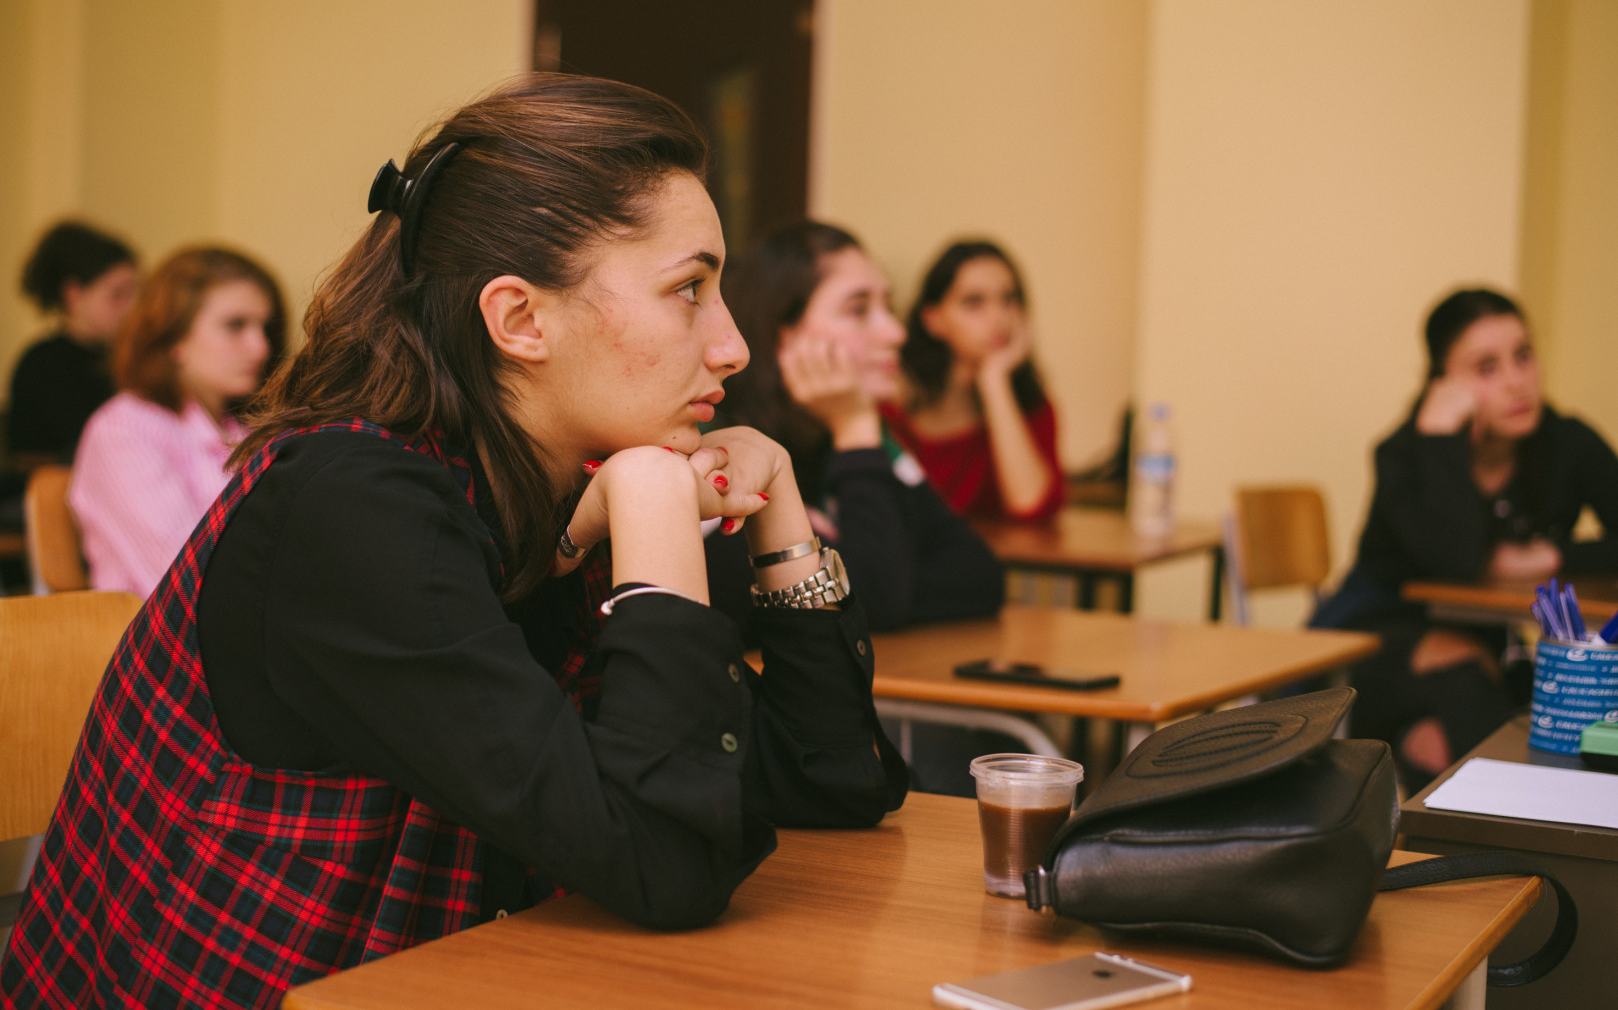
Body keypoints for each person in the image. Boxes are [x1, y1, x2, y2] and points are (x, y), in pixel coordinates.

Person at [1, 75, 905, 1010]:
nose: (732, 347)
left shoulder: (538, 489)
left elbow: (831, 780)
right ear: (519, 319)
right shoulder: (351, 508)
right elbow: (668, 865)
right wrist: (649, 504)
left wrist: (783, 512)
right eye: (689, 291)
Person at [1312, 287, 1618, 781]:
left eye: (1523, 356)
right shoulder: (1406, 453)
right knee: (1468, 679)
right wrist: (1440, 438)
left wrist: (1551, 556)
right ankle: (1510, 834)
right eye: (1487, 368)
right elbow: (1456, 560)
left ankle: (1483, 820)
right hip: (1375, 637)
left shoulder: (1565, 443)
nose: (1517, 383)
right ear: (1443, 383)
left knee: (1499, 715)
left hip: (1485, 642)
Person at [714, 220, 1004, 632]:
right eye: (859, 309)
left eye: (888, 305)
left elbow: (979, 574)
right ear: (783, 334)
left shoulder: (859, 439)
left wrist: (870, 586)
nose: (895, 332)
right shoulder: (731, 459)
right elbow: (879, 599)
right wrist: (855, 427)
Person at [67, 246, 286, 598]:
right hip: (165, 645)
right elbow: (188, 583)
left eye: (264, 326)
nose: (260, 347)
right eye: (236, 325)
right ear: (174, 337)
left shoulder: (245, 431)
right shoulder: (125, 430)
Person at [884, 240, 1063, 521]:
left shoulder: (1033, 408)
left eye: (1009, 299)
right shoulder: (892, 407)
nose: (998, 317)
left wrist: (994, 380)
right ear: (933, 319)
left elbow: (1030, 504)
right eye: (974, 302)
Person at [5, 220, 138, 464]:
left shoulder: (126, 357)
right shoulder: (43, 364)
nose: (131, 308)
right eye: (117, 294)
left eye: (135, 293)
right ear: (74, 294)